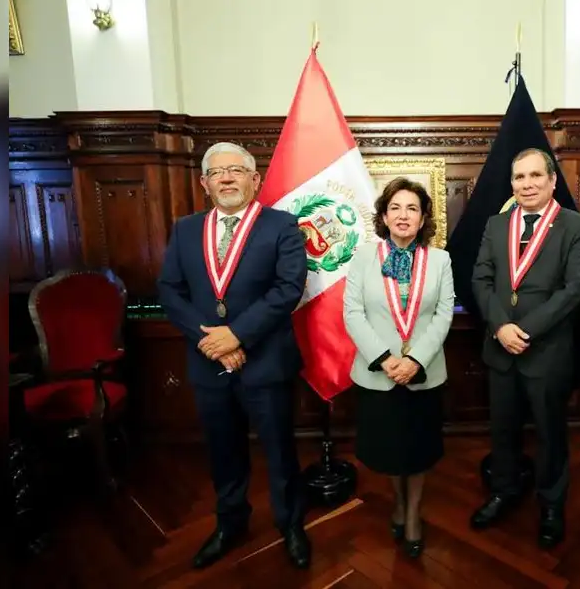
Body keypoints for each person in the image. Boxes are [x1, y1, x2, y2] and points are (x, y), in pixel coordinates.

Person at [157, 142, 311, 570]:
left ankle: (291, 525)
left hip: (266, 361)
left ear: (254, 179)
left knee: (280, 451)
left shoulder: (281, 225)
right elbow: (170, 290)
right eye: (217, 172)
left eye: (236, 170)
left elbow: (288, 288)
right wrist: (212, 342)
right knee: (223, 451)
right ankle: (230, 524)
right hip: (209, 365)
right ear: (204, 183)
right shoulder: (186, 229)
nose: (227, 177)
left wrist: (237, 337)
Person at [469, 148, 580, 548]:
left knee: (550, 433)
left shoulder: (576, 226)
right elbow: (481, 278)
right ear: (512, 184)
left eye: (535, 176)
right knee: (502, 430)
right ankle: (504, 491)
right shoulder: (496, 224)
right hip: (500, 347)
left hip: (547, 351)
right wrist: (500, 325)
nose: (527, 184)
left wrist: (525, 330)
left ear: (552, 180)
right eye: (519, 177)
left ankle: (552, 505)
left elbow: (575, 289)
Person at [342, 177, 454, 558]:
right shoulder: (361, 258)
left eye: (412, 209)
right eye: (396, 208)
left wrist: (415, 360)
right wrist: (387, 360)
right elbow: (352, 312)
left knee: (420, 449)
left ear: (423, 219)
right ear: (384, 217)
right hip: (378, 374)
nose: (403, 215)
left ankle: (413, 513)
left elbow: (443, 315)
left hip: (425, 373)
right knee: (389, 450)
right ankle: (397, 502)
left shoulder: (440, 260)